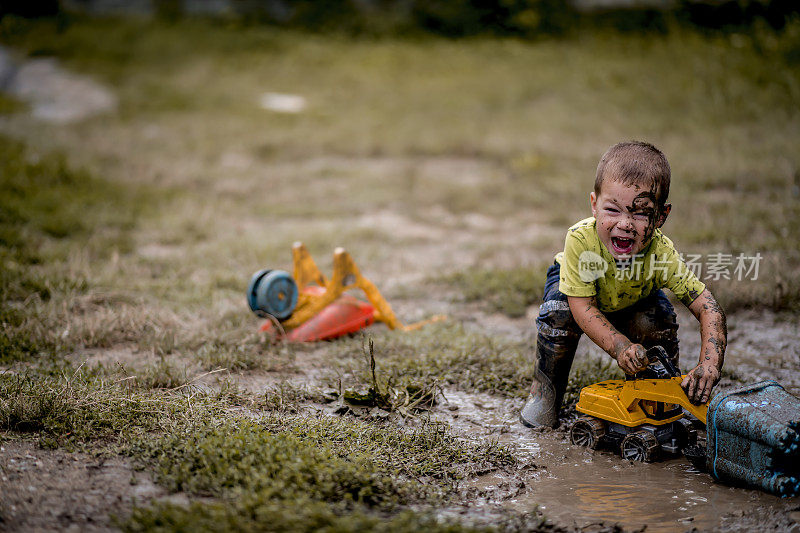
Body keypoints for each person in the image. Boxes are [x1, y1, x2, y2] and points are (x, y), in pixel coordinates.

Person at [520, 141, 727, 428]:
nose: (625, 224)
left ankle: (657, 397)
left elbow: (709, 308)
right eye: (613, 210)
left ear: (661, 217)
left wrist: (709, 364)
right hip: (580, 299)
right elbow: (583, 308)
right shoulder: (581, 241)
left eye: (641, 213)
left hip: (634, 300)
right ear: (594, 205)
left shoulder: (661, 254)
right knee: (559, 311)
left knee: (657, 319)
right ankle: (545, 394)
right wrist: (620, 347)